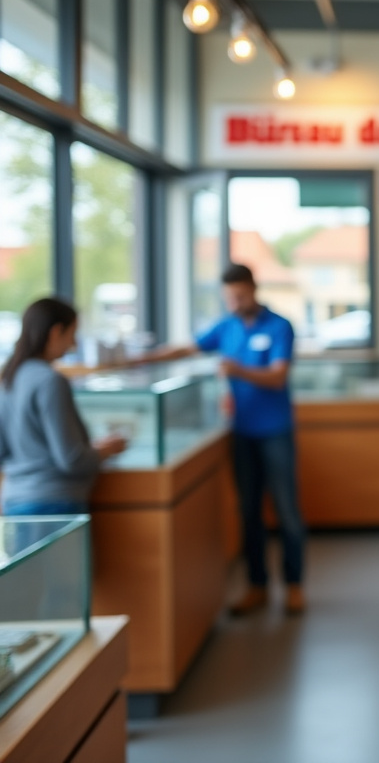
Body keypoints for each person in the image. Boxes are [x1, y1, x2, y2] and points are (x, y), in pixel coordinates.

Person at [147, 264, 306, 616]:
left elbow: (278, 378)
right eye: (229, 297)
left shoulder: (280, 326)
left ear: (253, 288)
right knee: (248, 511)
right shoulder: (226, 326)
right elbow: (188, 349)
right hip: (241, 432)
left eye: (240, 295)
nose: (234, 302)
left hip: (275, 431)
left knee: (287, 511)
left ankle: (294, 586)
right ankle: (257, 586)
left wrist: (236, 369)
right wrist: (138, 359)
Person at [0, 298, 126, 516]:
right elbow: (72, 460)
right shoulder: (50, 380)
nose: (74, 344)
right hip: (54, 502)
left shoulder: (8, 378)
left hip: (14, 500)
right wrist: (106, 449)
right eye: (72, 333)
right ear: (56, 331)